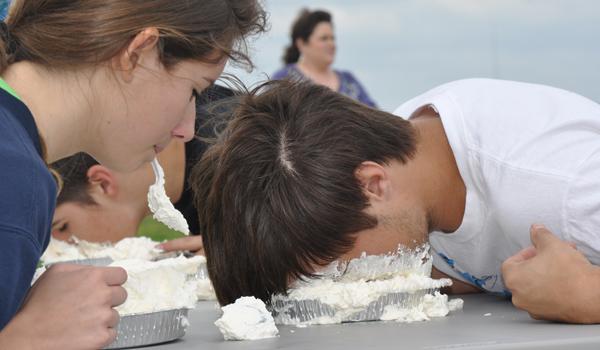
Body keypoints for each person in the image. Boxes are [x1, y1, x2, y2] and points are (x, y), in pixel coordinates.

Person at [191, 78, 600, 324]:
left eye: (341, 271)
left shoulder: (567, 185)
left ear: (372, 185)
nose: (348, 287)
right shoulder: (408, 160)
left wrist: (588, 296)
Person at [0, 1, 266, 349]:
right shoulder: (14, 178)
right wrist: (24, 341)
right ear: (139, 52)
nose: (187, 130)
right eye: (194, 91)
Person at [51, 85, 235, 249]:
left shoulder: (233, 157)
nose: (58, 248)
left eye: (62, 227)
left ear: (102, 184)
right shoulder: (181, 183)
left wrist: (249, 256)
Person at [272, 9, 377, 107]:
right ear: (302, 44)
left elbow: (376, 117)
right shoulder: (284, 80)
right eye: (324, 39)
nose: (331, 44)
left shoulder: (350, 82)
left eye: (332, 38)